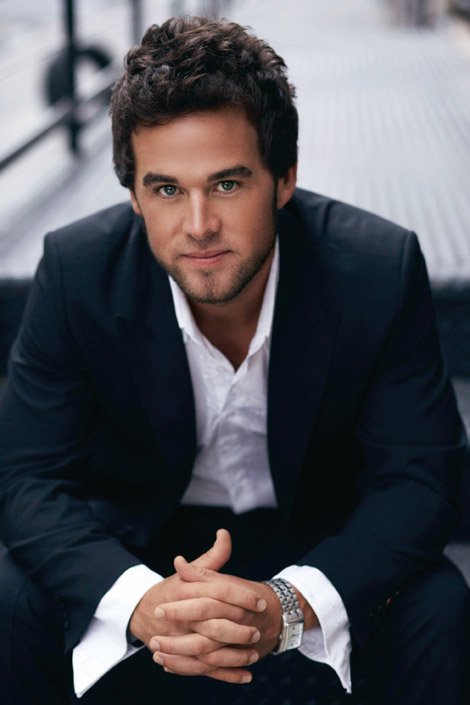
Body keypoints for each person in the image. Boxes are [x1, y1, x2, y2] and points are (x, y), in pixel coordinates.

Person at [0, 15, 469, 705]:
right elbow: (26, 478)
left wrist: (289, 605)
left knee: (440, 604)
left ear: (284, 178)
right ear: (133, 195)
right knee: (10, 595)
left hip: (314, 533)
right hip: (142, 536)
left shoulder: (376, 270)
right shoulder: (78, 273)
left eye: (227, 184)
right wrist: (140, 601)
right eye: (166, 189)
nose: (198, 226)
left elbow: (421, 481)